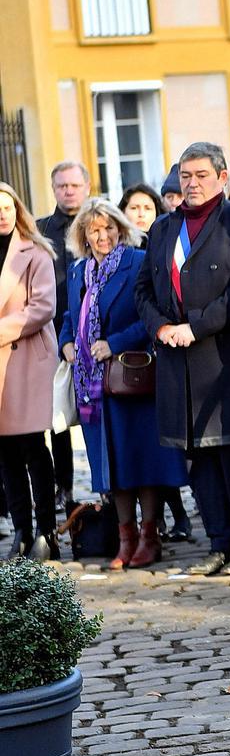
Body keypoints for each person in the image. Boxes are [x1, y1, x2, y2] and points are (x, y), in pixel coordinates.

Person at [135, 141, 230, 576]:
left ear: (222, 176)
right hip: (177, 361)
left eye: (200, 176)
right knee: (199, 459)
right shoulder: (161, 228)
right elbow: (143, 289)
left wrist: (197, 326)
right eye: (185, 177)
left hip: (226, 357)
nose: (191, 185)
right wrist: (160, 327)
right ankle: (219, 540)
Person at [61, 200, 188, 569]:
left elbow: (153, 315)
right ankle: (124, 537)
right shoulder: (78, 271)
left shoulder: (136, 262)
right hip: (92, 389)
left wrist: (114, 343)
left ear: (120, 228)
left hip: (130, 381)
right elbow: (70, 314)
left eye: (109, 228)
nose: (103, 236)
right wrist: (67, 342)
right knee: (110, 467)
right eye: (94, 230)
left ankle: (150, 538)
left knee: (141, 462)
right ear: (83, 235)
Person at [116, 183, 193, 543]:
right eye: (134, 208)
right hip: (133, 359)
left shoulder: (166, 239)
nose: (141, 214)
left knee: (165, 445)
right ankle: (151, 522)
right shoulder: (121, 254)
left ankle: (178, 515)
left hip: (163, 349)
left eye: (148, 207)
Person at [0, 182, 59, 559]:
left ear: (17, 209)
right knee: (4, 451)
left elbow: (44, 307)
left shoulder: (34, 252)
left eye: (6, 206)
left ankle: (47, 530)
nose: (1, 213)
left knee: (33, 447)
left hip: (25, 359)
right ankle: (21, 528)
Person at [37, 161, 90, 510]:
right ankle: (63, 488)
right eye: (61, 186)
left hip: (96, 333)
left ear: (86, 186)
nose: (68, 191)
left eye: (73, 185)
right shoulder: (40, 231)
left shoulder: (101, 223)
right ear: (54, 189)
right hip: (54, 335)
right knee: (57, 418)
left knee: (97, 414)